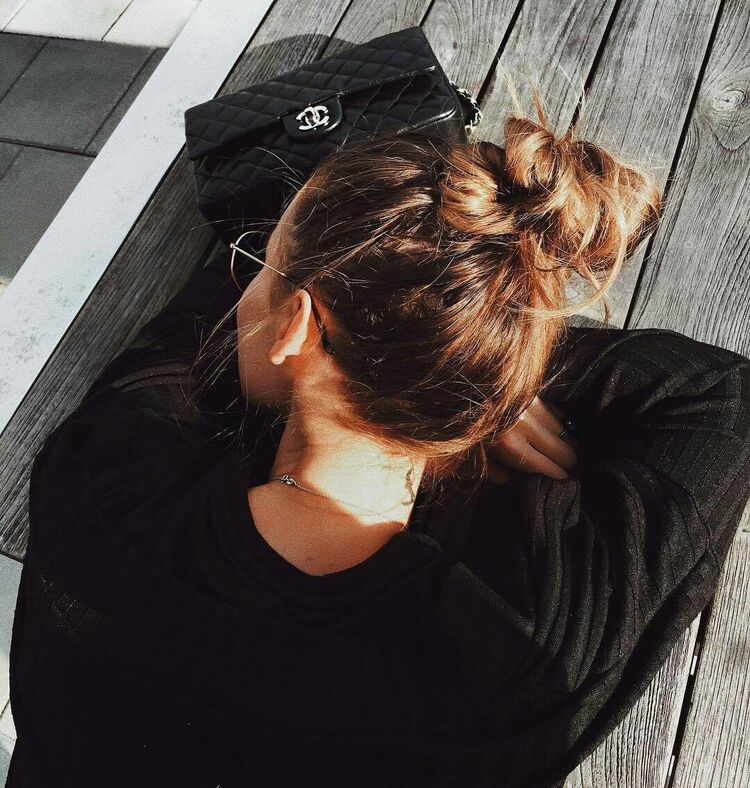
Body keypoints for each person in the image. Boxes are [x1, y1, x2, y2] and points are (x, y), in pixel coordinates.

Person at [7, 92, 750, 788]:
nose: (244, 283)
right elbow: (718, 394)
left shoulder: (106, 486)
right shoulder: (520, 645)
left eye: (263, 264)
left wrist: (459, 363)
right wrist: (482, 374)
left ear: (298, 328)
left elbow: (191, 321)